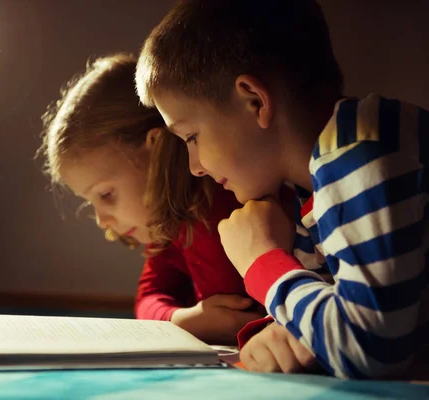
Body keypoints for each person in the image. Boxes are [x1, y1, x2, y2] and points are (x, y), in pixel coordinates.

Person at [135, 0, 429, 379]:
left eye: (191, 136)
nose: (194, 166)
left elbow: (371, 350)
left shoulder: (360, 150)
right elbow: (342, 316)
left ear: (255, 100)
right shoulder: (315, 189)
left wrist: (263, 261)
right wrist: (285, 334)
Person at [37, 53, 264, 345]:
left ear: (156, 148)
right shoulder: (169, 227)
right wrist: (183, 321)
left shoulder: (226, 202)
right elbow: (147, 299)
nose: (101, 219)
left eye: (106, 194)